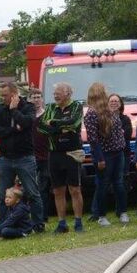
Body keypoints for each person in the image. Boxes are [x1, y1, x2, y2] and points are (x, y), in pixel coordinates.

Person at [0, 82, 44, 233]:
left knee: (32, 192)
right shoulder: (0, 109)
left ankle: (38, 225)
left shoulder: (28, 107)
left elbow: (27, 123)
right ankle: (2, 227)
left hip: (25, 158)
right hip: (6, 159)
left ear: (14, 94)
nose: (2, 98)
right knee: (2, 196)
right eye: (1, 95)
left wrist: (14, 110)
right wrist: (14, 129)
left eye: (5, 95)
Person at [38, 82, 84, 234]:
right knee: (58, 190)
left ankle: (78, 223)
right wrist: (60, 128)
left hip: (73, 152)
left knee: (75, 189)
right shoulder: (50, 107)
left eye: (58, 92)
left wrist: (53, 123)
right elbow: (42, 127)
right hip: (54, 153)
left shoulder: (77, 106)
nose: (55, 95)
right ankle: (62, 224)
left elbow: (74, 123)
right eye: (54, 93)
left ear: (68, 94)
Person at [85, 83, 127, 226]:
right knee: (103, 184)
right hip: (104, 154)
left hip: (118, 152)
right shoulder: (91, 113)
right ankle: (101, 215)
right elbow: (93, 139)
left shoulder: (109, 110)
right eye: (104, 91)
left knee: (119, 183)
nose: (106, 93)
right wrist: (99, 158)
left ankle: (122, 212)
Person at [29, 88, 51, 223]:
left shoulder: (47, 115)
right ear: (29, 99)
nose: (36, 99)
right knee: (31, 188)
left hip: (46, 156)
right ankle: (33, 215)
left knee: (44, 187)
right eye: (33, 97)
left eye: (38, 97)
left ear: (42, 99)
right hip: (30, 156)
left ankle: (44, 216)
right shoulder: (27, 116)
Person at [109, 93, 132, 200]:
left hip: (123, 153)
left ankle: (123, 204)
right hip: (108, 154)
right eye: (111, 101)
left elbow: (127, 135)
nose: (114, 103)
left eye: (116, 101)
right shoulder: (104, 119)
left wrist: (114, 134)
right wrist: (119, 133)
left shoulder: (126, 119)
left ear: (121, 104)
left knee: (123, 178)